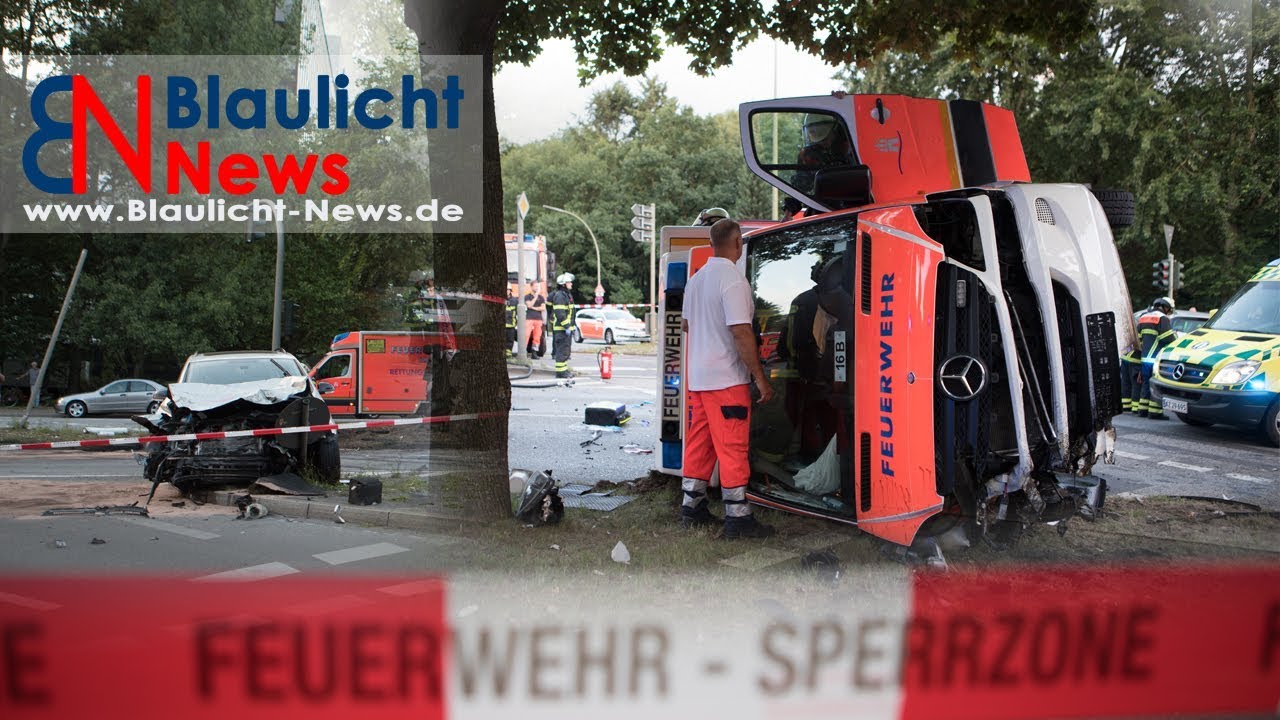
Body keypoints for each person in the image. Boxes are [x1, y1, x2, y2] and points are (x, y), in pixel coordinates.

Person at [680, 219, 776, 538]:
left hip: (699, 379)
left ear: (712, 244)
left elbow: (686, 326)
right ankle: (738, 518)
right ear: (738, 243)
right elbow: (741, 331)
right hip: (726, 380)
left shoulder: (697, 280)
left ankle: (691, 508)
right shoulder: (733, 280)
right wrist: (760, 378)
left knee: (701, 444)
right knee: (732, 445)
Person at [405, 270, 456, 419]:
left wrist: (448, 344)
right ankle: (423, 407)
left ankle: (428, 407)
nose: (432, 289)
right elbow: (418, 325)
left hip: (434, 346)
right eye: (430, 285)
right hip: (426, 345)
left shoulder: (437, 301)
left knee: (434, 377)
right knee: (427, 377)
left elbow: (444, 324)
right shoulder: (419, 301)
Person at [784, 114, 856, 217]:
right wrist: (789, 211)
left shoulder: (851, 150)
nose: (823, 143)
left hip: (850, 210)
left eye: (826, 138)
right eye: (820, 140)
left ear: (836, 132)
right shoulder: (808, 155)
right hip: (820, 209)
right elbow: (801, 184)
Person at [1133, 297, 1176, 419]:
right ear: (1165, 307)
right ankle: (1155, 412)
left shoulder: (1143, 317)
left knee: (1146, 382)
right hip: (1155, 358)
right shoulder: (1162, 318)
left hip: (1145, 358)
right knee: (1156, 384)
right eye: (1169, 309)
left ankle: (1142, 410)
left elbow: (1138, 338)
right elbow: (1167, 338)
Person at [547, 273, 576, 378]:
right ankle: (560, 372)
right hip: (562, 329)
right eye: (569, 282)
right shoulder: (560, 296)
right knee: (562, 351)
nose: (571, 284)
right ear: (563, 284)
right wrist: (567, 326)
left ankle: (563, 370)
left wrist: (572, 326)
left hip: (565, 329)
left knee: (565, 351)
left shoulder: (566, 295)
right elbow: (560, 313)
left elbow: (570, 313)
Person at [524, 281, 546, 358]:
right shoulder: (527, 296)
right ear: (531, 286)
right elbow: (529, 305)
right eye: (535, 286)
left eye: (538, 286)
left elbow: (543, 308)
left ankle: (534, 352)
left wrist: (533, 308)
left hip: (538, 319)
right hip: (529, 318)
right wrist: (535, 297)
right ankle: (523, 352)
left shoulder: (541, 297)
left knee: (537, 336)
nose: (537, 288)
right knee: (526, 335)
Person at [504, 288, 518, 358]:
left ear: (510, 291)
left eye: (508, 290)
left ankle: (508, 355)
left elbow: (518, 313)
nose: (506, 291)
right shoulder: (501, 299)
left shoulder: (515, 301)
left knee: (510, 341)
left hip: (511, 325)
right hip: (502, 326)